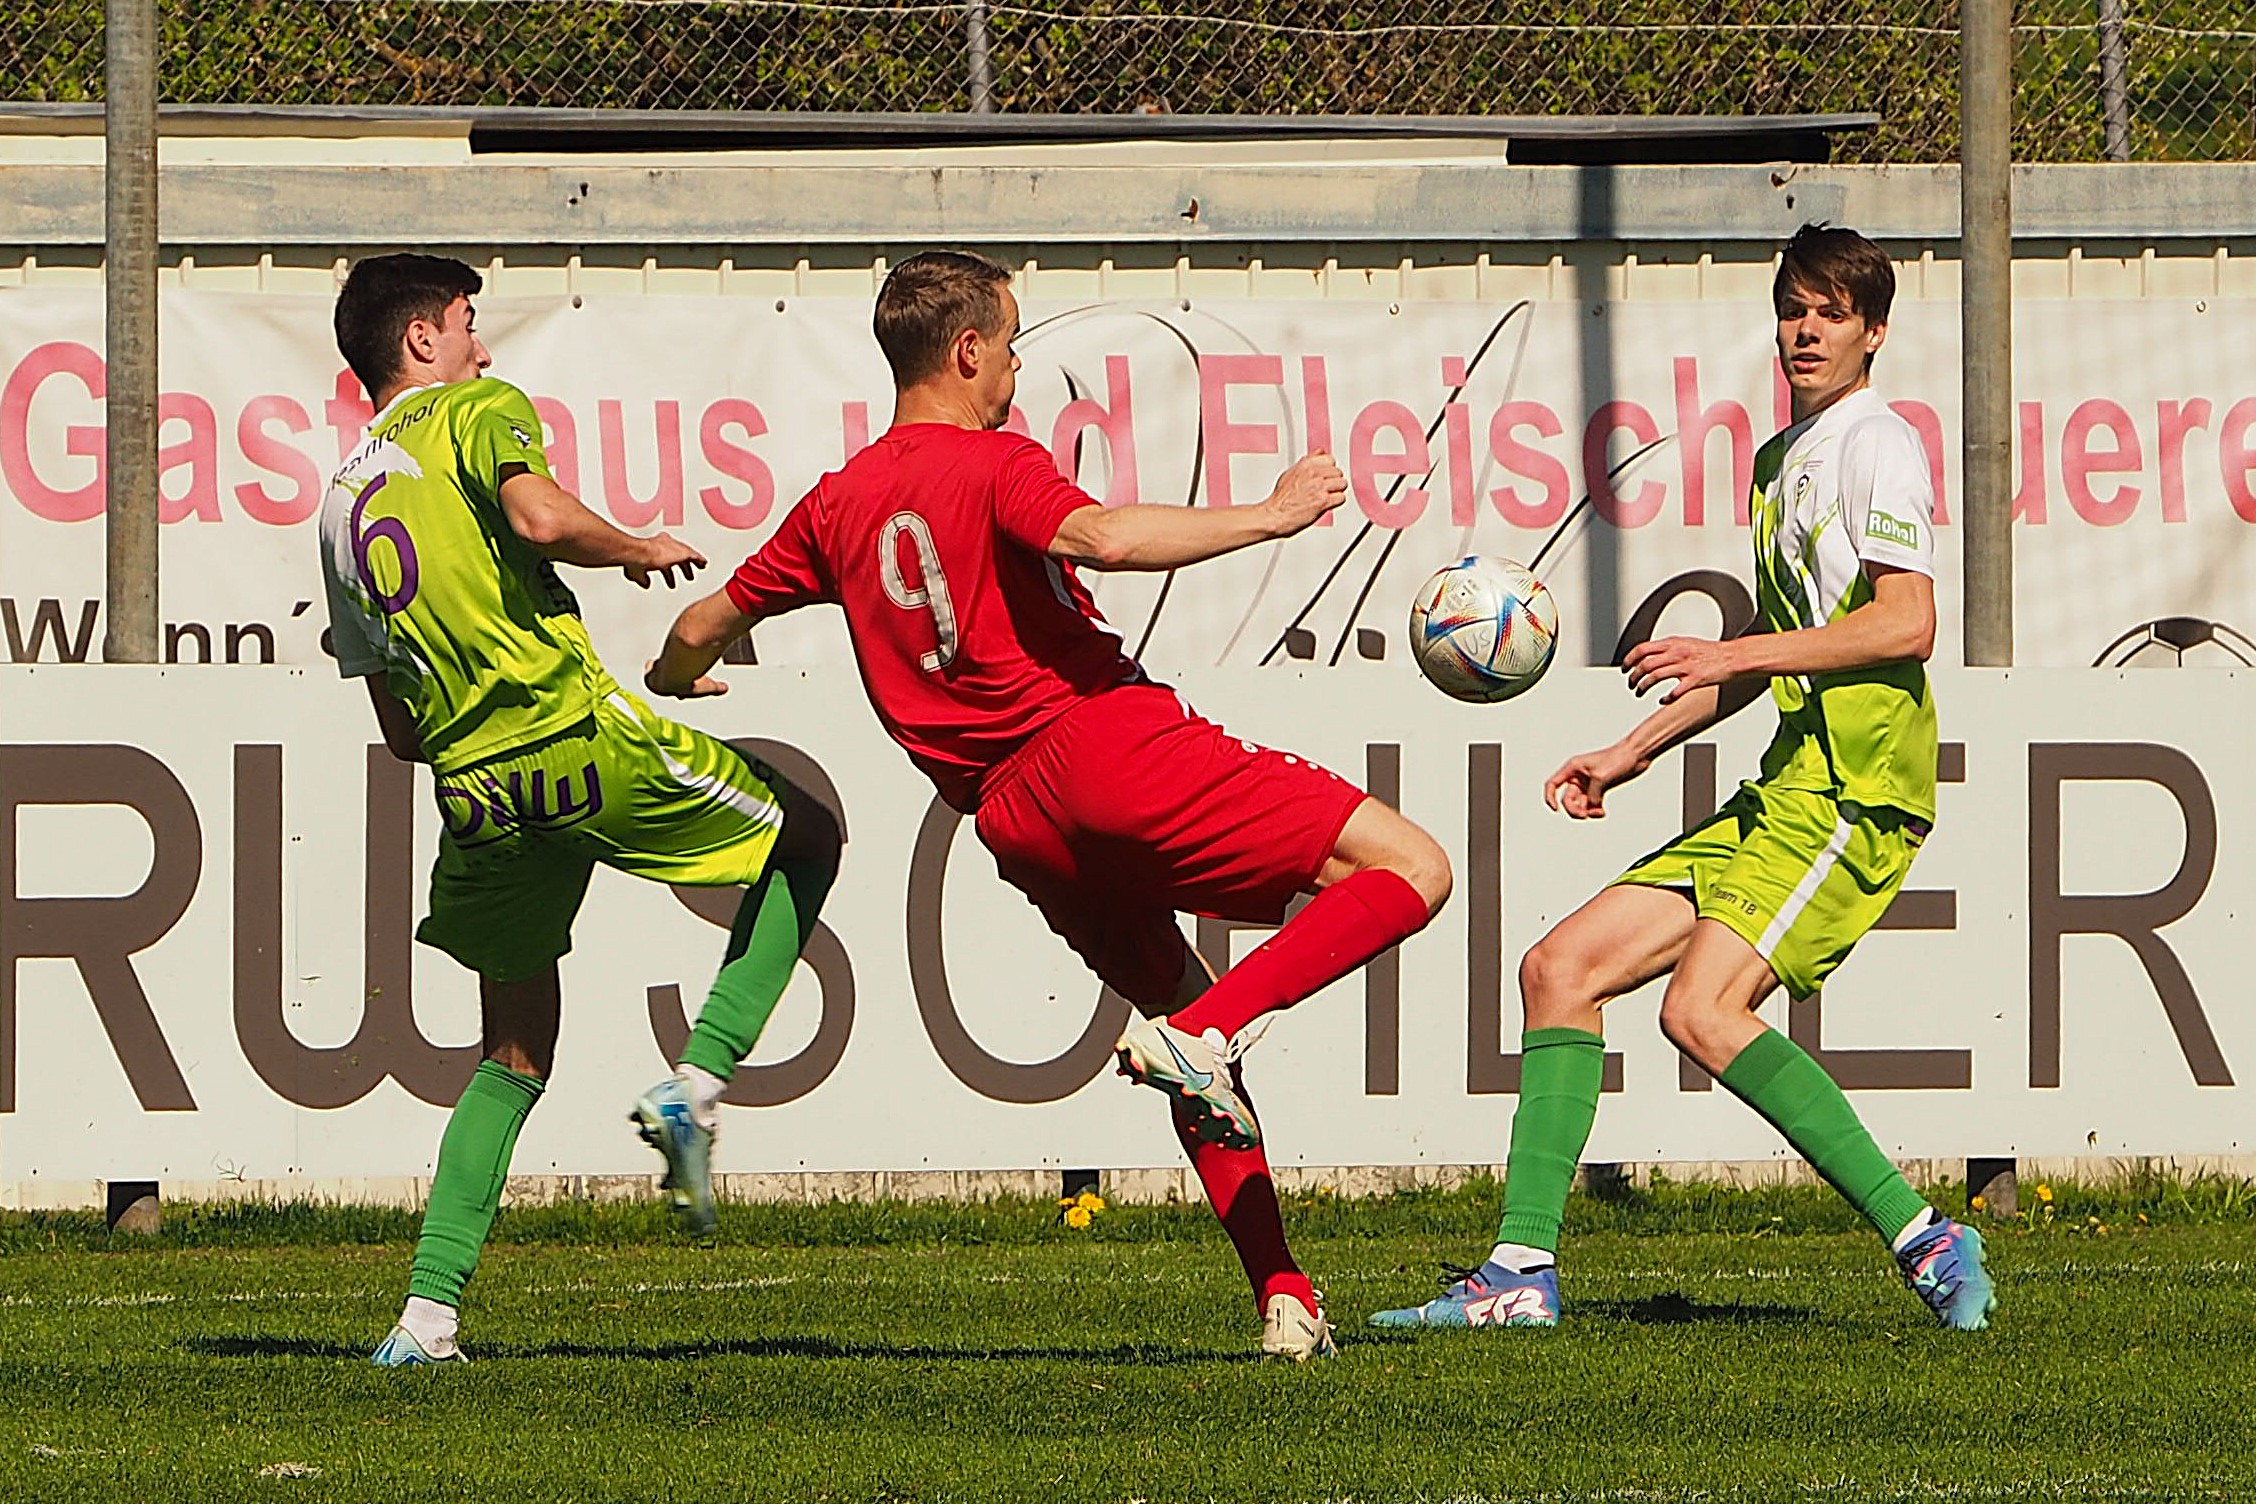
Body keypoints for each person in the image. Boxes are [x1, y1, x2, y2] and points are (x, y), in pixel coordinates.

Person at [646, 249, 1453, 1360]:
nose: (1017, 370)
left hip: (1014, 823)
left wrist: (676, 678)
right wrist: (1271, 516)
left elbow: (699, 626)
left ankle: (1284, 1297)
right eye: (1013, 346)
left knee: (1187, 1019)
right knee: (1412, 868)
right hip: (1102, 746)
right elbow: (1105, 538)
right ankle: (1207, 1036)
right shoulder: (993, 462)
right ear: (967, 350)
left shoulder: (836, 503)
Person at [1373, 223, 1995, 1333]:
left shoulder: (1878, 442)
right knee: (1559, 968)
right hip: (1788, 788)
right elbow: (1773, 649)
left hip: (1858, 792)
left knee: (1701, 1011)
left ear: (1874, 333)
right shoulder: (1781, 459)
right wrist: (1636, 748)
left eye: (1833, 314)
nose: (1807, 331)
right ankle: (1519, 1273)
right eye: (1795, 309)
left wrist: (1734, 654)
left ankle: (1925, 1236)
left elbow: (1907, 624)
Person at [317, 254, 843, 1367]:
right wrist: (641, 544)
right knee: (809, 835)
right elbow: (542, 517)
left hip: (473, 786)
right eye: (467, 323)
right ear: (422, 341)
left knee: (511, 1051)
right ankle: (698, 1083)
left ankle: (425, 1320)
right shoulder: (476, 411)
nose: (482, 347)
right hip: (568, 735)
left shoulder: (338, 509)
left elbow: (398, 731)